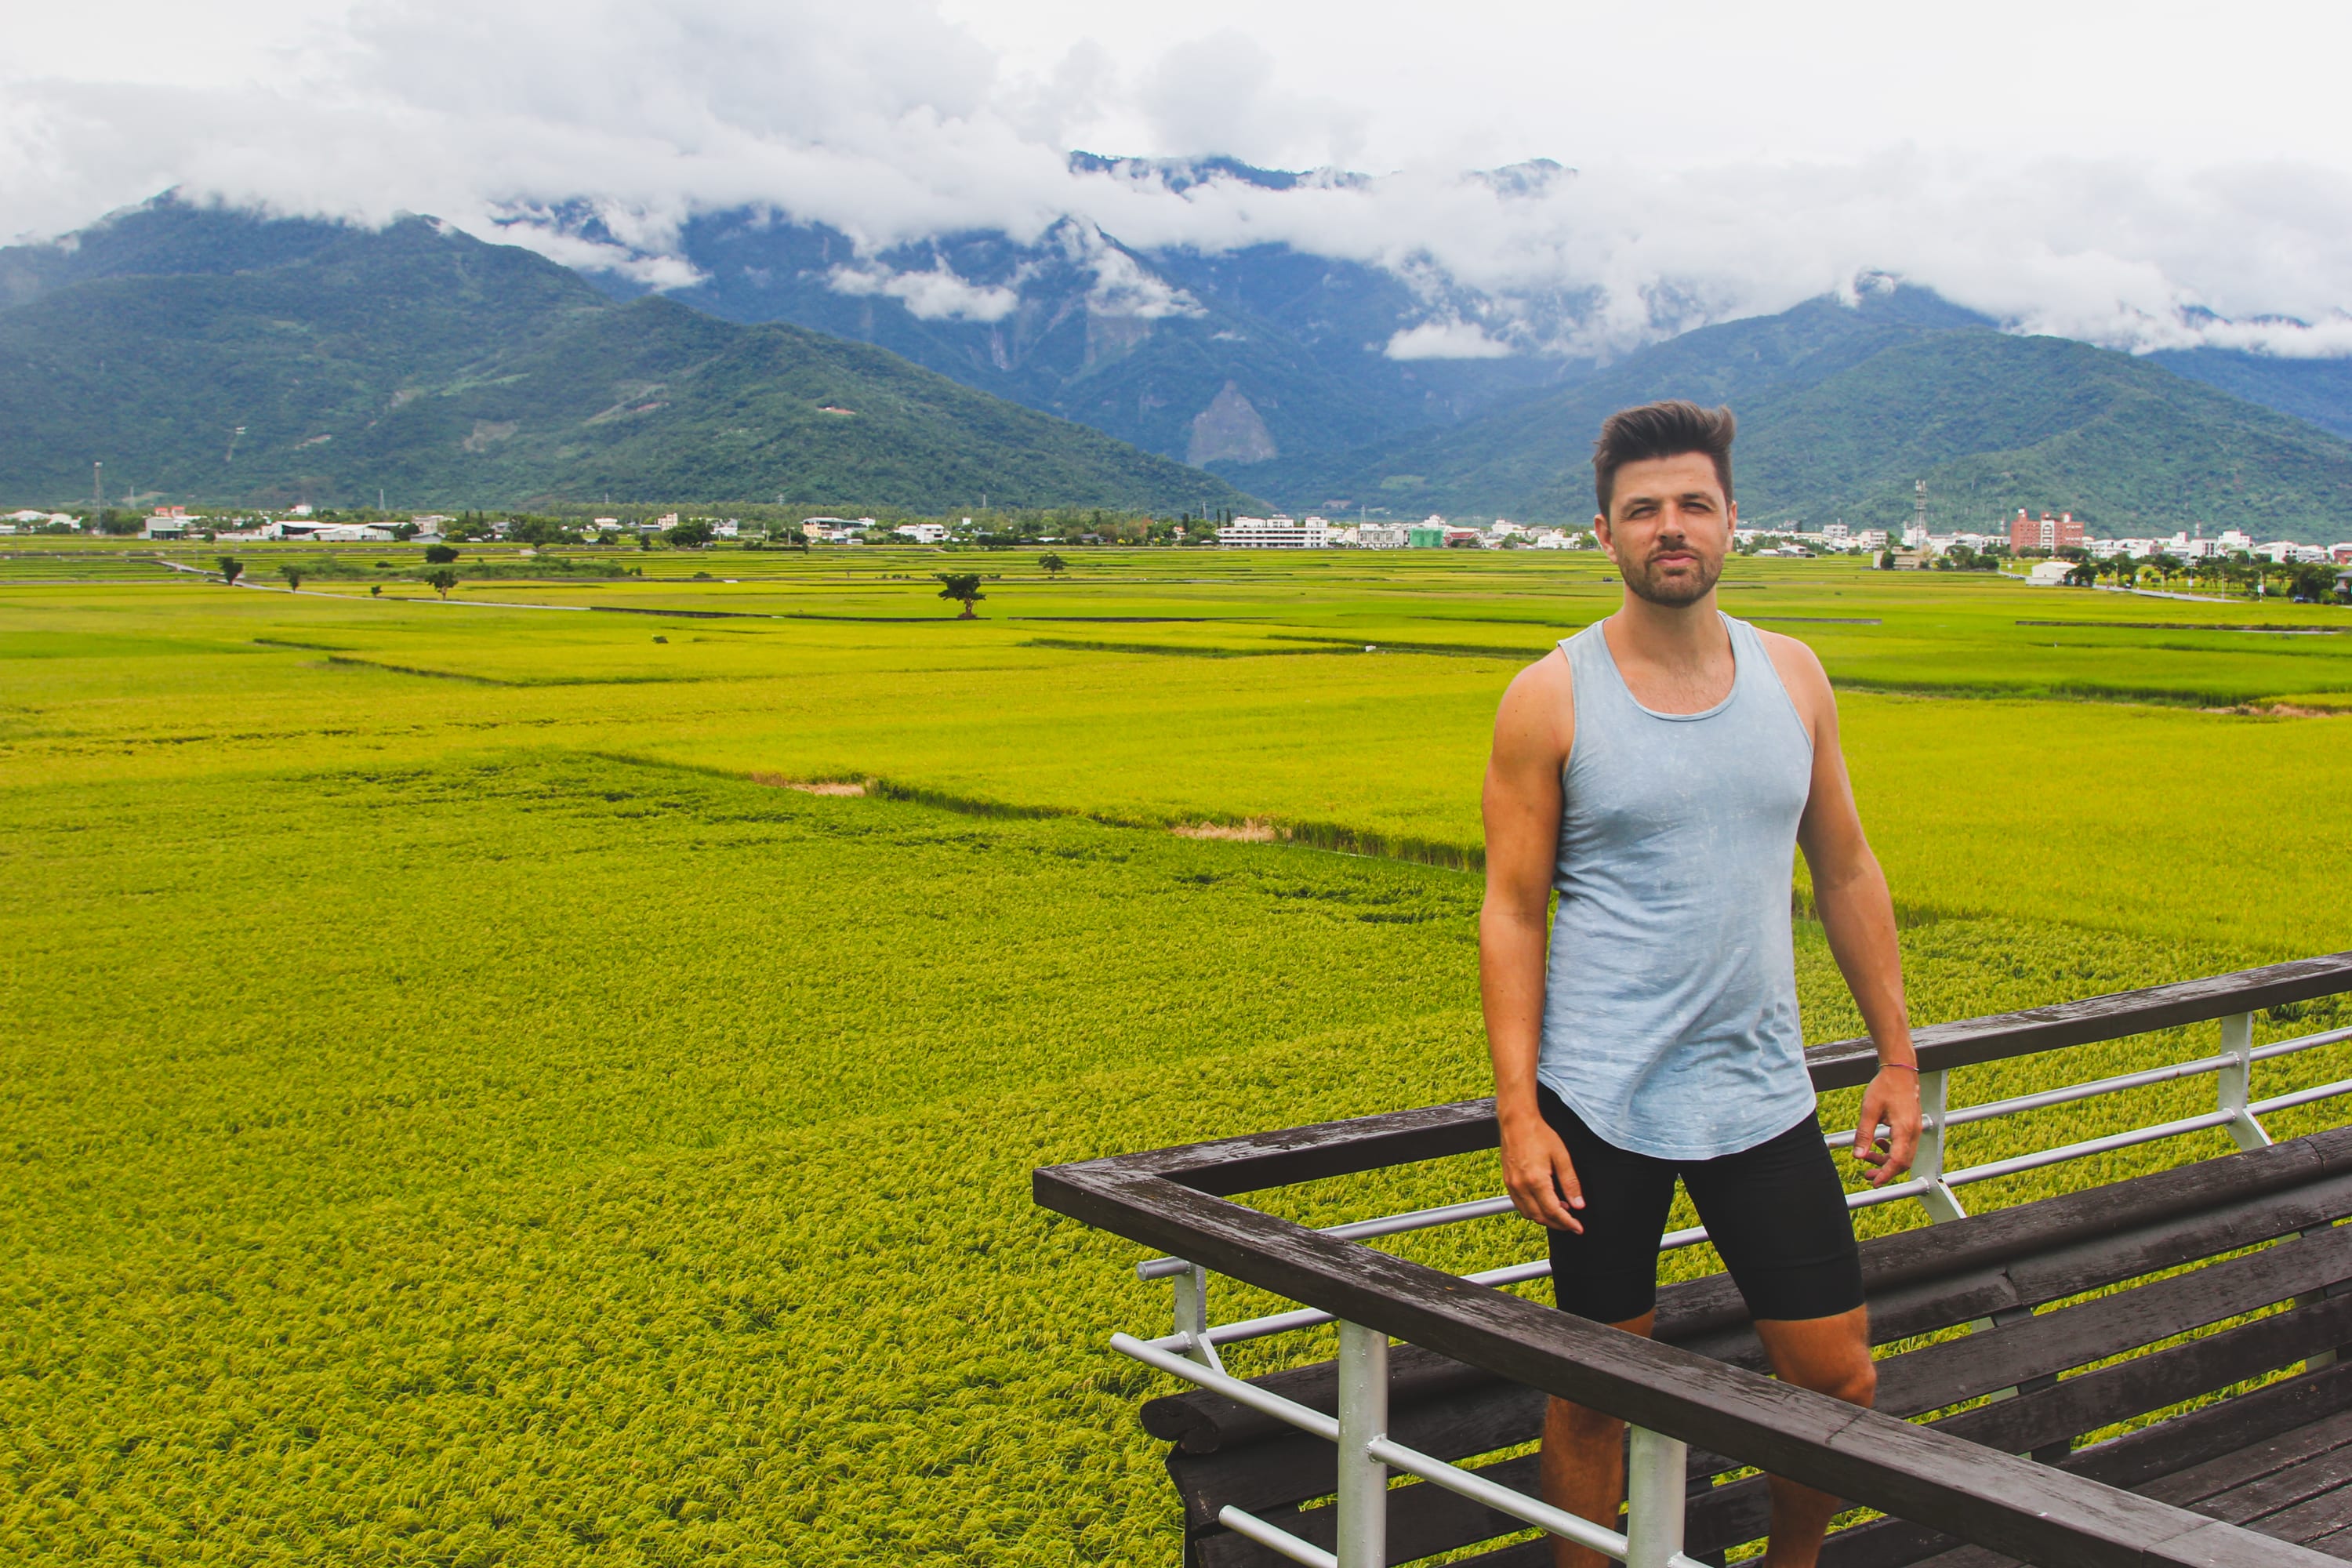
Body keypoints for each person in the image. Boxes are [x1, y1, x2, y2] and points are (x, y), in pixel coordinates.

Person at [1479, 400, 1923, 1568]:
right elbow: (1512, 912)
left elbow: (1847, 868)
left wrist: (1897, 1055)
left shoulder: (1796, 676)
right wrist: (1520, 1113)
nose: (1669, 527)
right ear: (1604, 532)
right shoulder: (1551, 695)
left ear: (1732, 522)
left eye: (1692, 505)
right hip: (1598, 1104)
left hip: (1760, 1096)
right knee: (1595, 1394)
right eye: (1644, 511)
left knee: (1837, 1382)